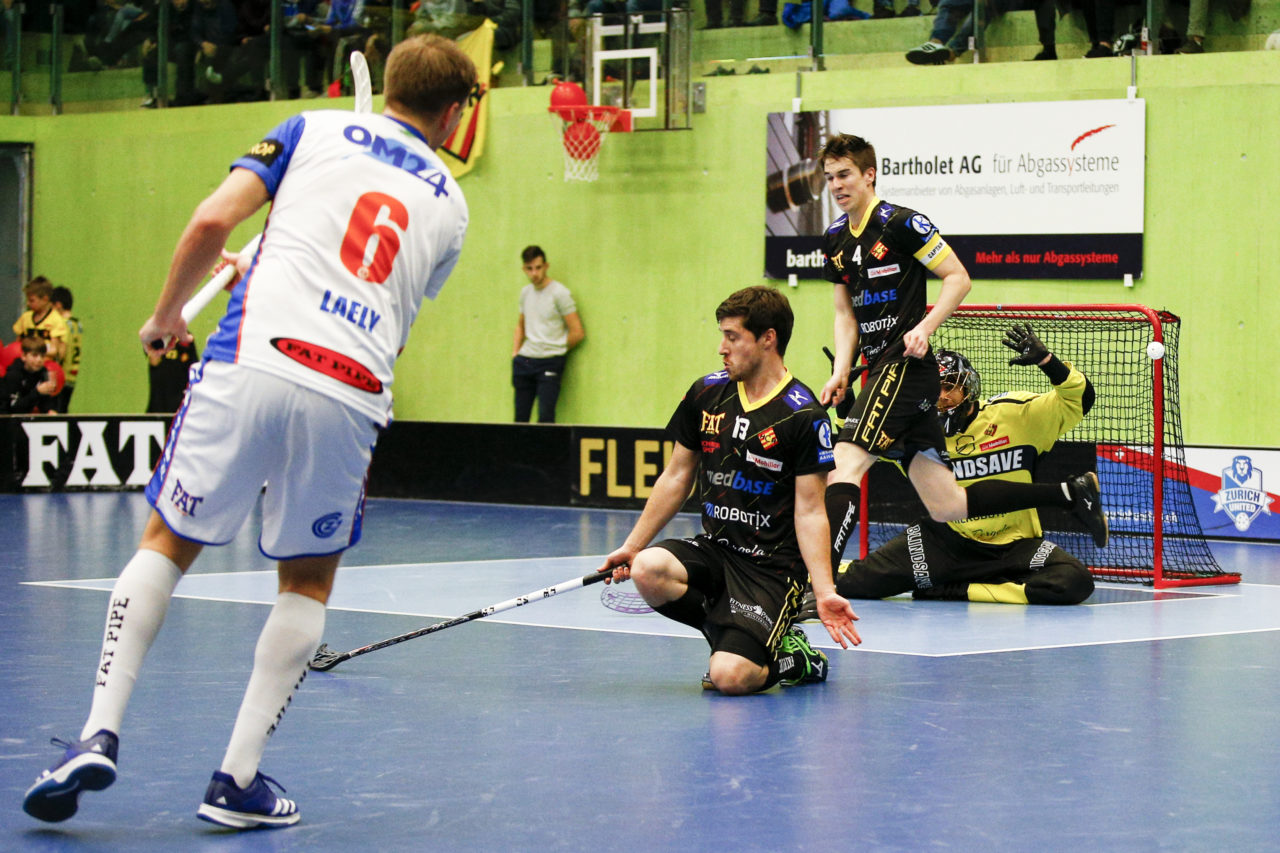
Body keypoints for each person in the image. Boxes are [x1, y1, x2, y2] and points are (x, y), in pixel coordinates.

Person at [22, 34, 477, 830]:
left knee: (167, 542)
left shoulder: (310, 127)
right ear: (451, 114)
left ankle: (98, 730)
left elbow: (211, 219)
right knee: (307, 582)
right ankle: (235, 780)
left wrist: (166, 317)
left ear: (392, 85)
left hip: (253, 357)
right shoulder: (454, 205)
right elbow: (380, 293)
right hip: (352, 386)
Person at [815, 133, 1108, 616]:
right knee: (947, 504)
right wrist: (842, 369)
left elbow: (959, 278)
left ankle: (819, 587)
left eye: (844, 174)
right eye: (829, 178)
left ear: (869, 174)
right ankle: (1069, 494)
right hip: (877, 369)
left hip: (906, 368)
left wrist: (925, 328)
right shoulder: (834, 239)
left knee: (843, 466)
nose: (836, 185)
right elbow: (845, 313)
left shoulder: (901, 223)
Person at [598, 286, 862, 696]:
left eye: (733, 337)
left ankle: (794, 658)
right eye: (722, 335)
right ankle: (734, 636)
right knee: (648, 568)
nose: (722, 348)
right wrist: (632, 546)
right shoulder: (706, 393)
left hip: (771, 570)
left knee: (730, 678)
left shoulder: (803, 415)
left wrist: (824, 591)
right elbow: (676, 476)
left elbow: (811, 511)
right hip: (717, 552)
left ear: (768, 339)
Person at [804, 323, 1097, 609]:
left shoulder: (1016, 414)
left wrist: (1048, 362)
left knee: (1074, 581)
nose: (941, 397)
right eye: (934, 389)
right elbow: (854, 448)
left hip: (1015, 546)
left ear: (968, 387)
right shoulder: (916, 431)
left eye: (949, 387)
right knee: (852, 584)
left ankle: (959, 588)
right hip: (945, 543)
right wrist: (846, 398)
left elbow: (1079, 400)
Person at [511, 245, 585, 424]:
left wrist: (556, 348)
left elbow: (577, 332)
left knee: (545, 419)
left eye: (538, 267)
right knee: (520, 420)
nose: (534, 273)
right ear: (524, 269)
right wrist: (515, 353)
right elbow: (521, 325)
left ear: (546, 266)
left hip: (550, 361)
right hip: (525, 361)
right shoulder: (525, 293)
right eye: (529, 269)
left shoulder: (559, 293)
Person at [1, 332, 65, 414]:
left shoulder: (43, 372)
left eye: (42, 356)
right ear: (24, 356)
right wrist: (37, 392)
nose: (39, 360)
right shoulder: (13, 375)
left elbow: (46, 403)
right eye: (34, 355)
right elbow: (13, 408)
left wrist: (50, 410)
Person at [13, 276, 69, 363]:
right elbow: (17, 344)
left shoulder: (55, 320)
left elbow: (54, 350)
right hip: (26, 364)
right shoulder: (25, 317)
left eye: (32, 301)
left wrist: (34, 351)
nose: (28, 304)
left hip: (44, 363)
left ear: (45, 299)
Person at [50, 286, 82, 413]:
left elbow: (61, 351)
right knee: (64, 409)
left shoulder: (61, 324)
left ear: (58, 305)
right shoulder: (77, 324)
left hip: (61, 374)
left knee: (57, 411)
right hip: (72, 373)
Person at [147, 338, 199, 412]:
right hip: (159, 403)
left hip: (180, 403)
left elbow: (194, 368)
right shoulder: (157, 337)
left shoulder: (186, 339)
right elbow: (153, 361)